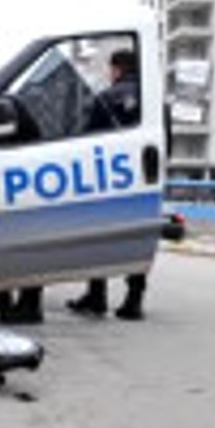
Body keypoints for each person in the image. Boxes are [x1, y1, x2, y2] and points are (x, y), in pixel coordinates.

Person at [66, 49, 148, 322]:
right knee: (138, 236)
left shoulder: (106, 98)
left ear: (117, 69)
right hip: (143, 177)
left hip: (109, 178)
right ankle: (133, 300)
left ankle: (97, 294)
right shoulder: (154, 100)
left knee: (99, 235)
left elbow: (89, 142)